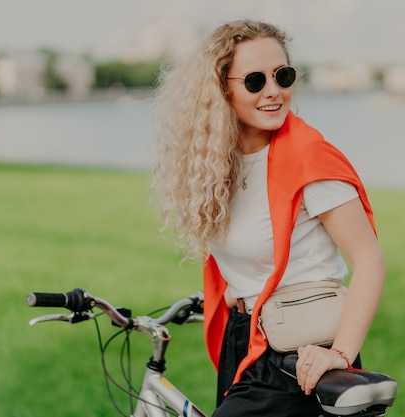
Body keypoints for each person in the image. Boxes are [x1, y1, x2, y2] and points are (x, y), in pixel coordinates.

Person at [151, 19, 386, 417]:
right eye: (255, 81)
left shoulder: (309, 156)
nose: (274, 91)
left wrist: (341, 354)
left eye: (283, 75)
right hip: (245, 342)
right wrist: (238, 290)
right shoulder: (218, 163)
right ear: (222, 88)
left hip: (301, 355)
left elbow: (370, 261)